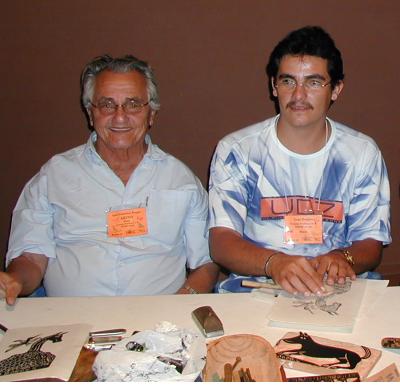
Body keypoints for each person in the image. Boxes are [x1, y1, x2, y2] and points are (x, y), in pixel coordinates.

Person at [1, 55, 218, 305]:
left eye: (133, 104)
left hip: (158, 327)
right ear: (90, 113)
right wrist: (15, 280)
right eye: (107, 104)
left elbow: (207, 263)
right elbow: (31, 258)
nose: (120, 116)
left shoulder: (182, 181)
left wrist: (178, 305)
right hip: (71, 323)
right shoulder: (53, 176)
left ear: (151, 114)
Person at [209, 26, 391, 295]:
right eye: (288, 81)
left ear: (336, 89)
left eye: (314, 82)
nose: (298, 95)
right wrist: (274, 263)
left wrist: (343, 257)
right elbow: (221, 243)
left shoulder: (361, 153)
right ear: (274, 86)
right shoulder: (238, 151)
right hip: (257, 287)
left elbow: (371, 243)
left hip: (337, 289)